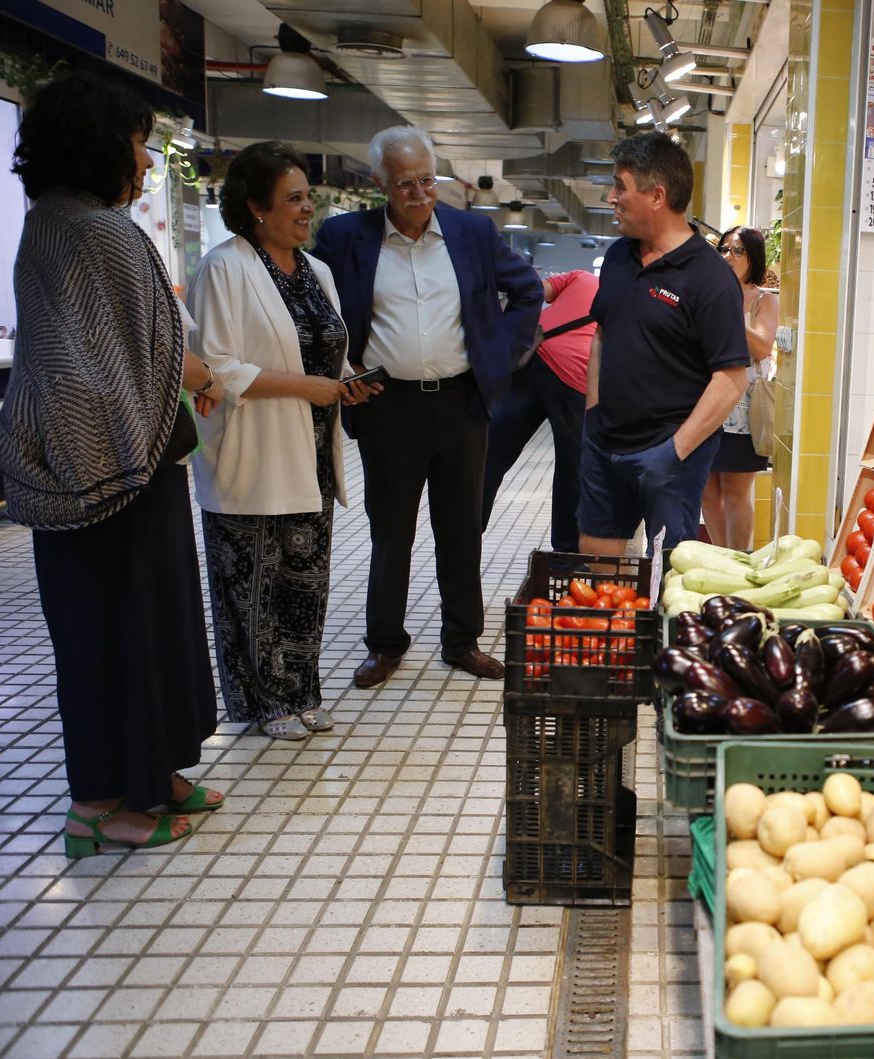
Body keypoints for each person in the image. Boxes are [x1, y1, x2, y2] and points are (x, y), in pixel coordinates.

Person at [0, 73, 221, 856]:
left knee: (143, 632)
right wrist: (119, 454)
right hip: (109, 477)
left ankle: (150, 776)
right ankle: (97, 806)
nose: (147, 163)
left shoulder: (63, 222)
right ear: (100, 146)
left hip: (116, 468)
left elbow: (131, 344)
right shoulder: (90, 230)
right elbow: (100, 361)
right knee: (109, 637)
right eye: (137, 145)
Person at [312, 127, 543, 688]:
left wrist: (501, 354)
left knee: (461, 527)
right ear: (379, 184)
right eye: (404, 184)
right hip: (389, 405)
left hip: (462, 402)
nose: (418, 194)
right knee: (391, 530)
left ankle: (462, 641)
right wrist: (341, 370)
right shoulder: (346, 237)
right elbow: (311, 305)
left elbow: (528, 291)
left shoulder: (472, 232)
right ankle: (385, 644)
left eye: (425, 180)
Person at [187, 141, 373, 741]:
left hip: (312, 454)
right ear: (255, 207)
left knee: (305, 582)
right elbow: (215, 366)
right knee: (255, 587)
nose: (305, 210)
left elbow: (324, 353)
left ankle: (302, 691)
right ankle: (266, 704)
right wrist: (307, 386)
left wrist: (345, 384)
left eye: (307, 198)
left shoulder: (316, 271)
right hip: (253, 453)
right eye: (293, 199)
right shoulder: (225, 267)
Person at [579, 133, 750, 558]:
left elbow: (731, 378)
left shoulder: (708, 277)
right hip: (605, 444)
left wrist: (674, 452)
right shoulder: (619, 257)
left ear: (656, 196)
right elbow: (603, 334)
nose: (610, 197)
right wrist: (593, 413)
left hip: (670, 455)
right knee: (597, 563)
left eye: (620, 186)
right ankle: (612, 630)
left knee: (670, 574)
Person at [481, 269, 597, 550]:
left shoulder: (581, 277)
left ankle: (465, 530)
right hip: (577, 378)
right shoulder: (631, 296)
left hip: (533, 360)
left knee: (490, 455)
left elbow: (536, 290)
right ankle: (565, 550)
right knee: (572, 467)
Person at [703, 226, 779, 550]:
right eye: (724, 249)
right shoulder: (709, 294)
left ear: (753, 257)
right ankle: (722, 558)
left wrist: (732, 309)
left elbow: (762, 347)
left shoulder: (764, 300)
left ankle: (738, 561)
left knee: (735, 493)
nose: (728, 257)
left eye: (737, 251)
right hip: (706, 402)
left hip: (743, 410)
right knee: (706, 493)